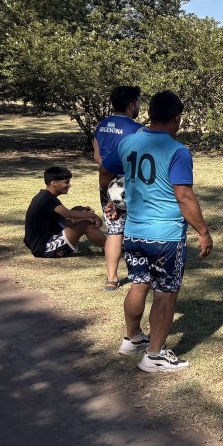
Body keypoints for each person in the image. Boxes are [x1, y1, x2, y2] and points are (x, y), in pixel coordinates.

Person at [109, 91, 213, 373]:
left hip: (133, 232)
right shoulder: (178, 151)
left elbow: (117, 177)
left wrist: (114, 202)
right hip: (165, 236)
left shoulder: (127, 142)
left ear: (150, 113)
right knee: (166, 294)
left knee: (139, 284)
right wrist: (203, 231)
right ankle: (154, 356)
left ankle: (132, 339)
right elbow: (184, 196)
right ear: (177, 118)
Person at [93, 85, 144, 291]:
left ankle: (112, 279)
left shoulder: (100, 126)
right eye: (139, 101)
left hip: (107, 184)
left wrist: (109, 190)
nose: (140, 105)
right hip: (130, 186)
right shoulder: (138, 130)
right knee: (135, 230)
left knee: (114, 231)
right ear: (132, 105)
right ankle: (138, 274)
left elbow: (98, 157)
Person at [24, 166, 108, 258]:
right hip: (44, 247)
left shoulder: (45, 196)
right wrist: (92, 216)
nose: (69, 185)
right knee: (85, 225)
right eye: (66, 182)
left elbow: (68, 215)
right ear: (54, 183)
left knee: (78, 209)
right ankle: (111, 247)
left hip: (45, 239)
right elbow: (67, 214)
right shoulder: (47, 199)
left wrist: (82, 211)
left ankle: (108, 244)